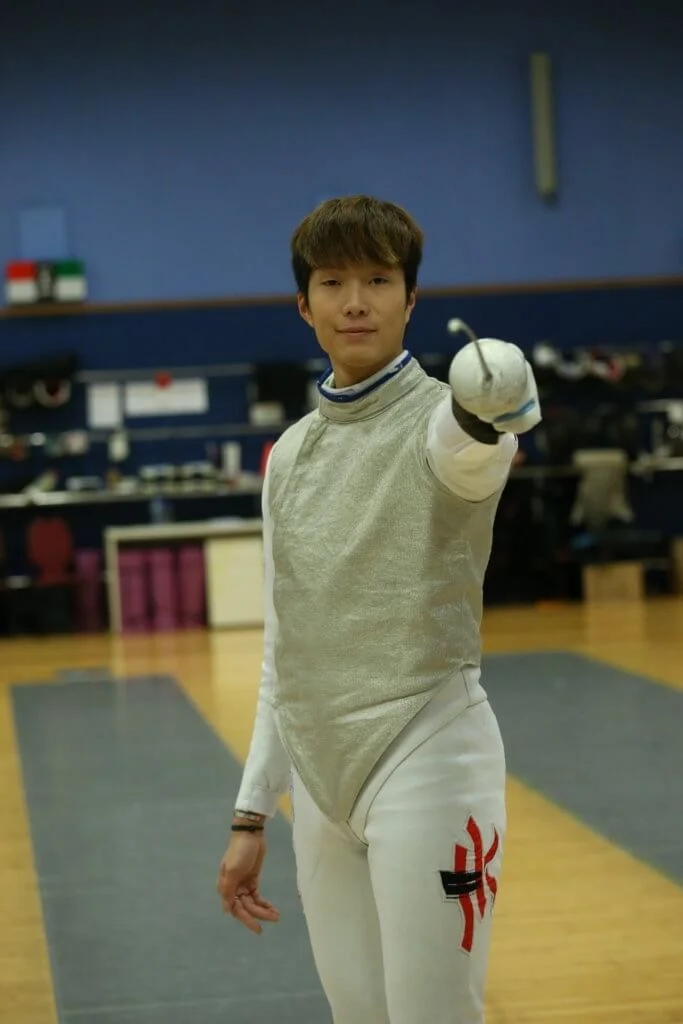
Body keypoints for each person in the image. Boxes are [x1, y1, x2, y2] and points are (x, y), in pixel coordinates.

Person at [217, 195, 541, 1023]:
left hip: (428, 759)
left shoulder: (438, 422)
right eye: (333, 282)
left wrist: (487, 404)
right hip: (321, 789)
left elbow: (470, 451)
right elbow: (285, 650)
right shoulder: (290, 456)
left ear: (410, 298)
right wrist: (252, 811)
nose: (355, 301)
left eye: (377, 279)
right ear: (305, 305)